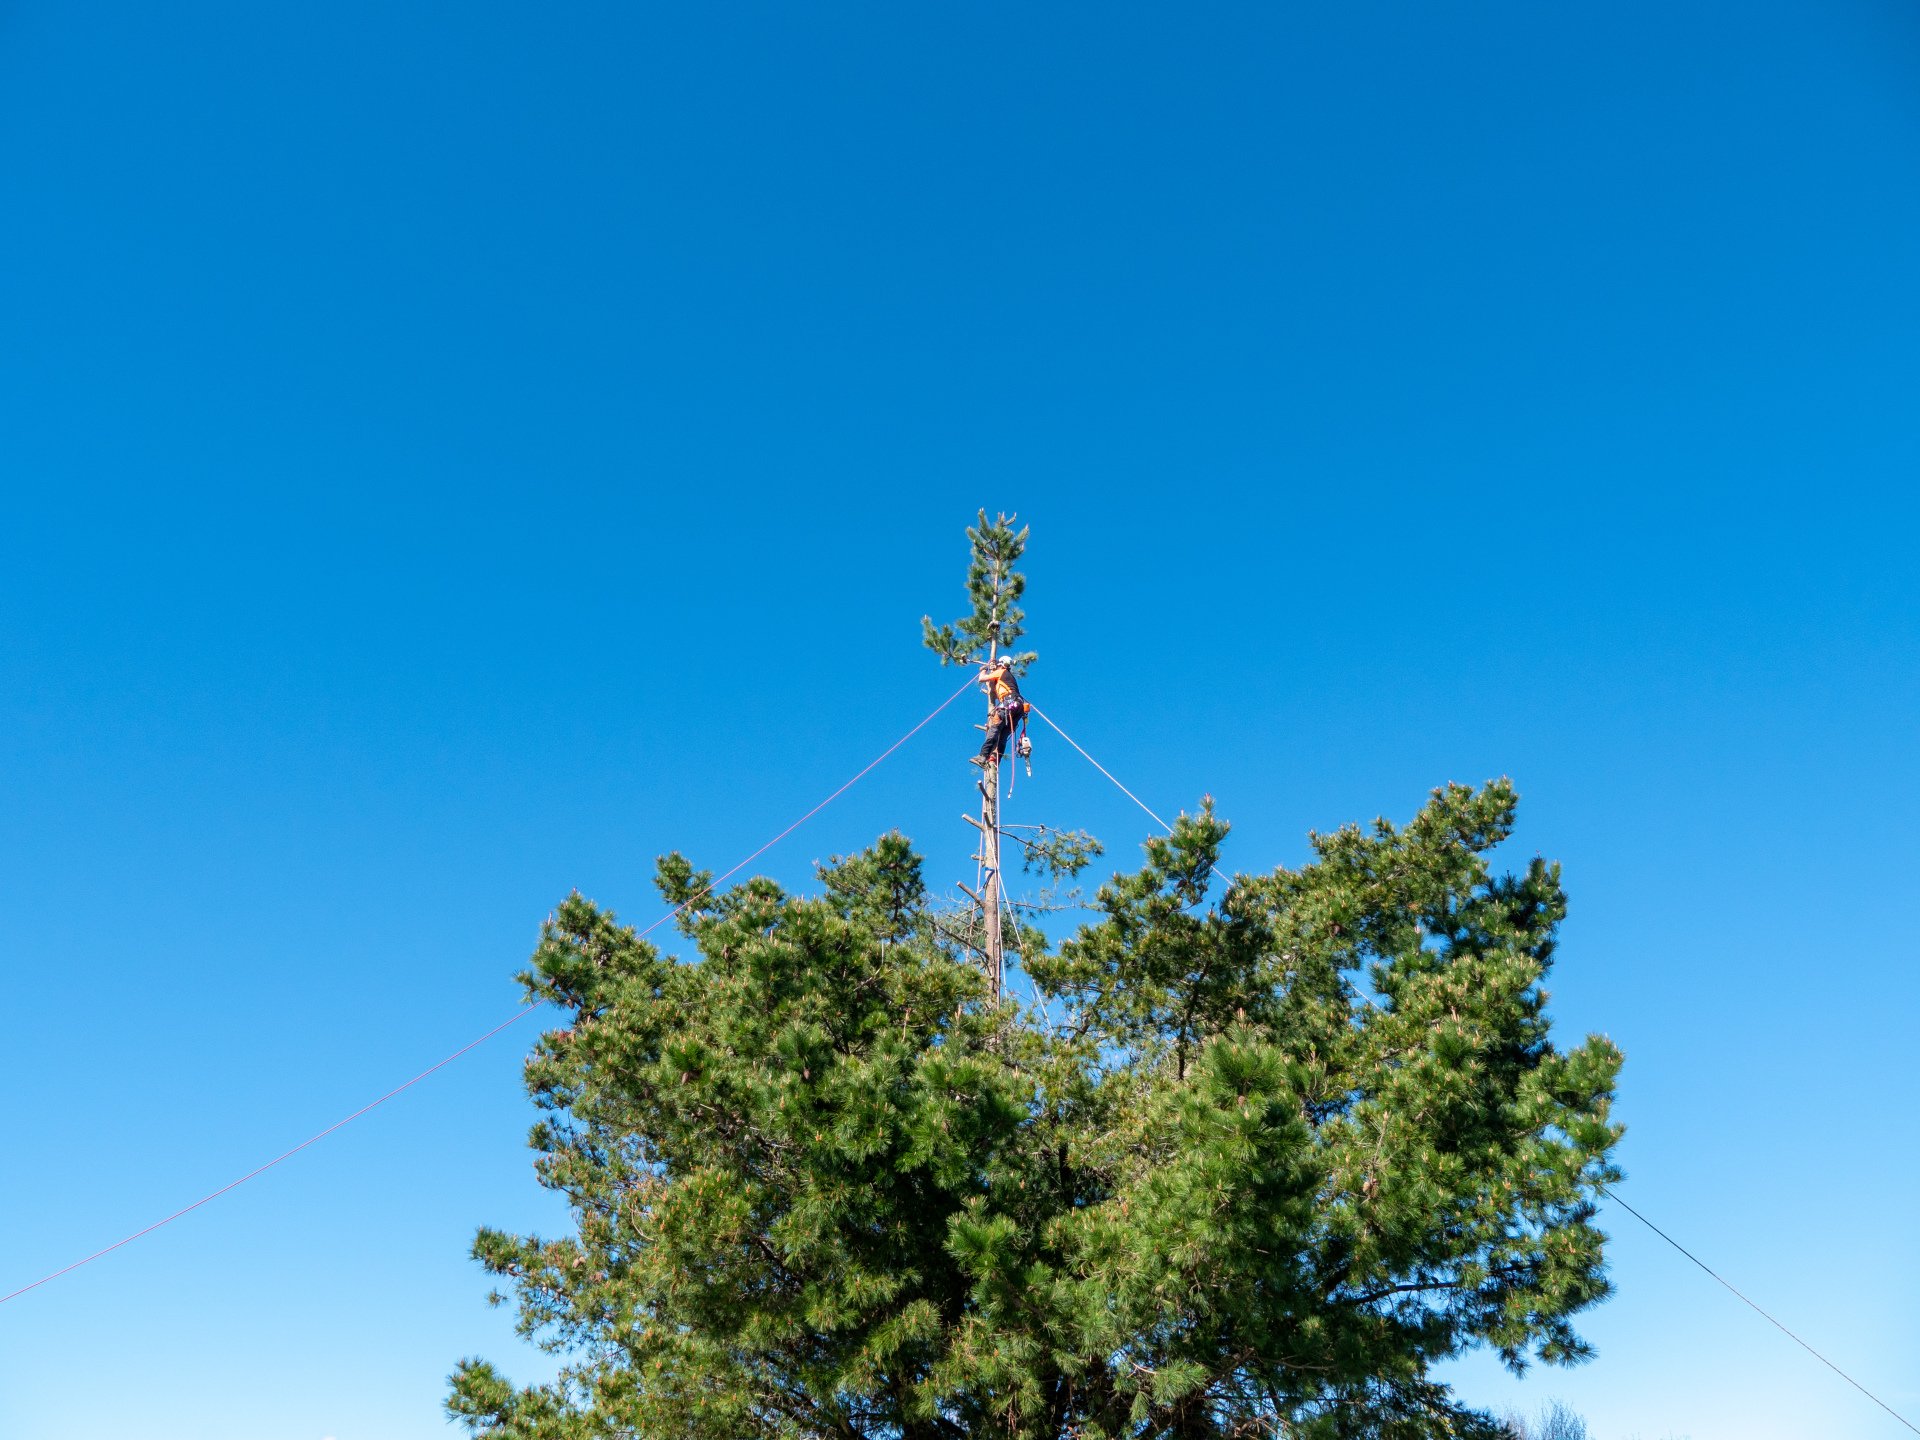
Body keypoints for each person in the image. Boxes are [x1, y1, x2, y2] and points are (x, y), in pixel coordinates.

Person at [970, 655, 1028, 768]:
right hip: (1018, 707)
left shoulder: (1001, 671)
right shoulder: (1008, 678)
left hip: (1009, 704)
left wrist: (983, 670)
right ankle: (996, 761)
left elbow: (982, 679)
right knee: (1002, 736)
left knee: (995, 728)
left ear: (1001, 664)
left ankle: (983, 756)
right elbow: (996, 694)